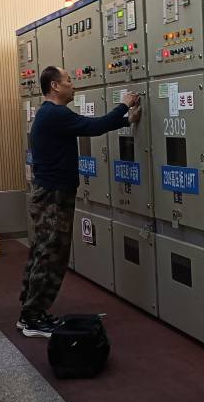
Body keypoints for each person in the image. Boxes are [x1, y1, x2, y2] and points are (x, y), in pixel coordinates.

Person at [18, 65, 141, 337]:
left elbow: (87, 127)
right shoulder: (55, 113)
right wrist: (124, 106)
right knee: (51, 254)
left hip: (50, 192)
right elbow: (93, 127)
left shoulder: (49, 113)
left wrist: (125, 121)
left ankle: (30, 312)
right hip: (54, 195)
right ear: (55, 86)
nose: (73, 85)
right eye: (68, 80)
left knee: (42, 251)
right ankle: (32, 318)